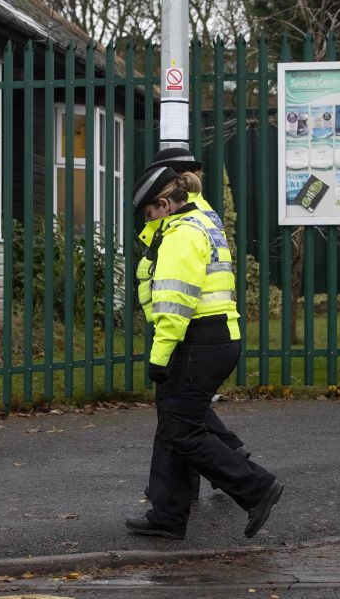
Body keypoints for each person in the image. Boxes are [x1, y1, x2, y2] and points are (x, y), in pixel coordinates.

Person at [127, 161, 283, 540]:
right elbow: (192, 193)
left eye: (149, 213)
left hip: (197, 340)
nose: (147, 223)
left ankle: (254, 486)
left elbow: (175, 304)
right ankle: (168, 515)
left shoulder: (181, 235)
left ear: (165, 204)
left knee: (180, 429)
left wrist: (159, 357)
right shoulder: (201, 218)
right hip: (212, 338)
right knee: (173, 422)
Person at [140, 147, 250, 501]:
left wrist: (162, 347)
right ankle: (172, 504)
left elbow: (178, 293)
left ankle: (237, 475)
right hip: (197, 331)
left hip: (191, 332)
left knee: (179, 420)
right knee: (183, 416)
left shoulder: (185, 223)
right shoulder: (201, 214)